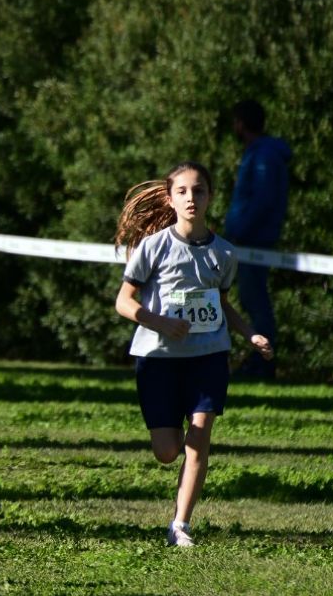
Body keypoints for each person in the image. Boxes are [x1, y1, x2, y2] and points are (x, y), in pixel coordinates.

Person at [114, 161, 274, 547]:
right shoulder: (153, 247)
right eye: (182, 191)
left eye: (199, 190)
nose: (191, 198)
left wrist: (250, 334)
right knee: (167, 451)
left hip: (208, 356)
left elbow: (222, 304)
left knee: (199, 436)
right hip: (158, 358)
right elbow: (123, 301)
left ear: (210, 197)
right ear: (170, 199)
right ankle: (177, 516)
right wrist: (159, 322)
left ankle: (180, 525)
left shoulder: (224, 253)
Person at [226, 100, 290, 379]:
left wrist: (239, 231)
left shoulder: (263, 155)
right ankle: (261, 360)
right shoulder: (262, 153)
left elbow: (262, 200)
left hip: (253, 240)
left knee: (255, 300)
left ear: (241, 123)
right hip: (252, 237)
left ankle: (263, 362)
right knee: (251, 298)